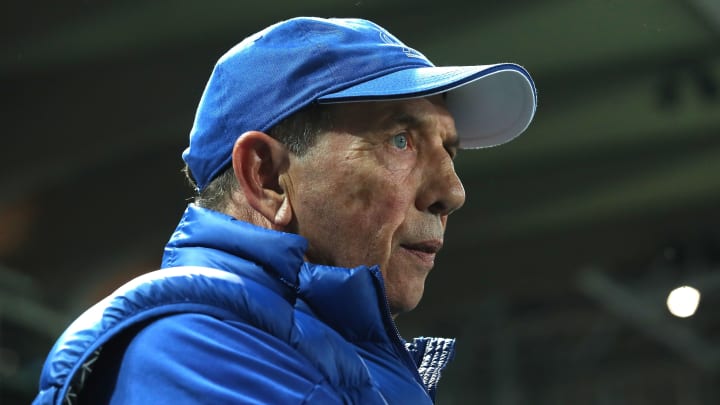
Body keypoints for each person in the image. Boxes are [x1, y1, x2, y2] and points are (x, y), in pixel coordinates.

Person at [33, 16, 536, 404]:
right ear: (267, 177)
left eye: (449, 151)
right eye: (401, 140)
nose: (452, 191)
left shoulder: (320, 360)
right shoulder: (192, 354)